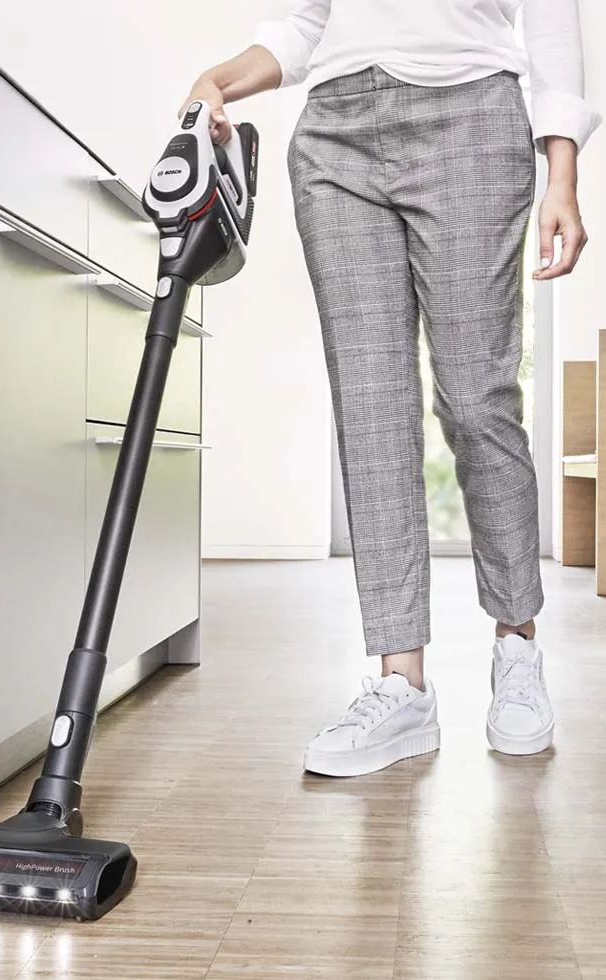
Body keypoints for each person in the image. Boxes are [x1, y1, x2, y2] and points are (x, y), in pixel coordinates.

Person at [183, 0, 601, 777]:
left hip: (473, 118)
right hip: (336, 134)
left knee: (478, 399)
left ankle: (516, 647)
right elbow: (305, 24)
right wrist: (222, 79)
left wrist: (562, 175)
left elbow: (550, 25)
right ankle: (401, 686)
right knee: (370, 408)